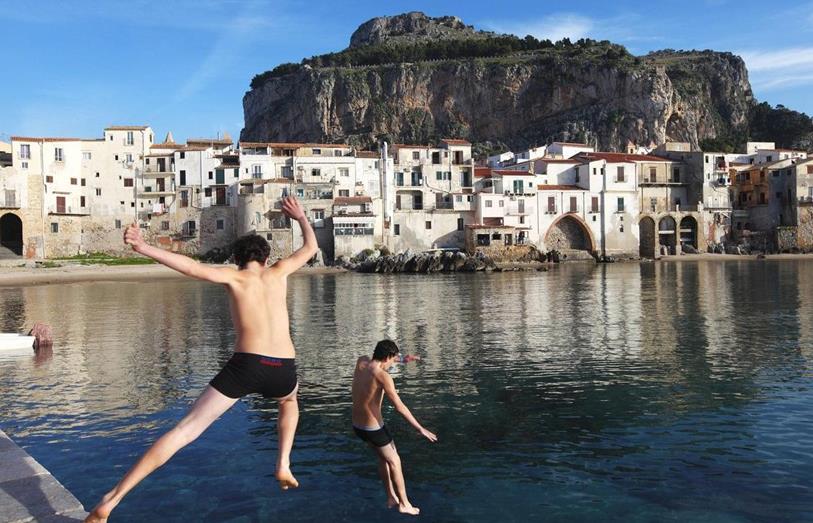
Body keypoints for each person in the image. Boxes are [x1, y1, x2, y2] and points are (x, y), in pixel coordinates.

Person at [85, 196, 318, 523]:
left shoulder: (234, 277)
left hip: (247, 364)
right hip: (283, 368)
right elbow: (310, 247)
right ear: (266, 259)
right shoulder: (279, 272)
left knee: (185, 431)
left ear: (238, 261)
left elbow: (191, 267)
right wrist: (301, 217)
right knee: (290, 400)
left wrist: (144, 247)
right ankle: (283, 462)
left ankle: (112, 500)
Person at [351, 340, 437, 516]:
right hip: (373, 429)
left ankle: (390, 496)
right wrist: (420, 428)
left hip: (358, 427)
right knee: (395, 461)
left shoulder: (362, 362)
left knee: (383, 458)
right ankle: (404, 503)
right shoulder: (383, 376)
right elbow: (400, 406)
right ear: (387, 357)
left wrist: (406, 359)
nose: (392, 364)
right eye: (393, 360)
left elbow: (384, 360)